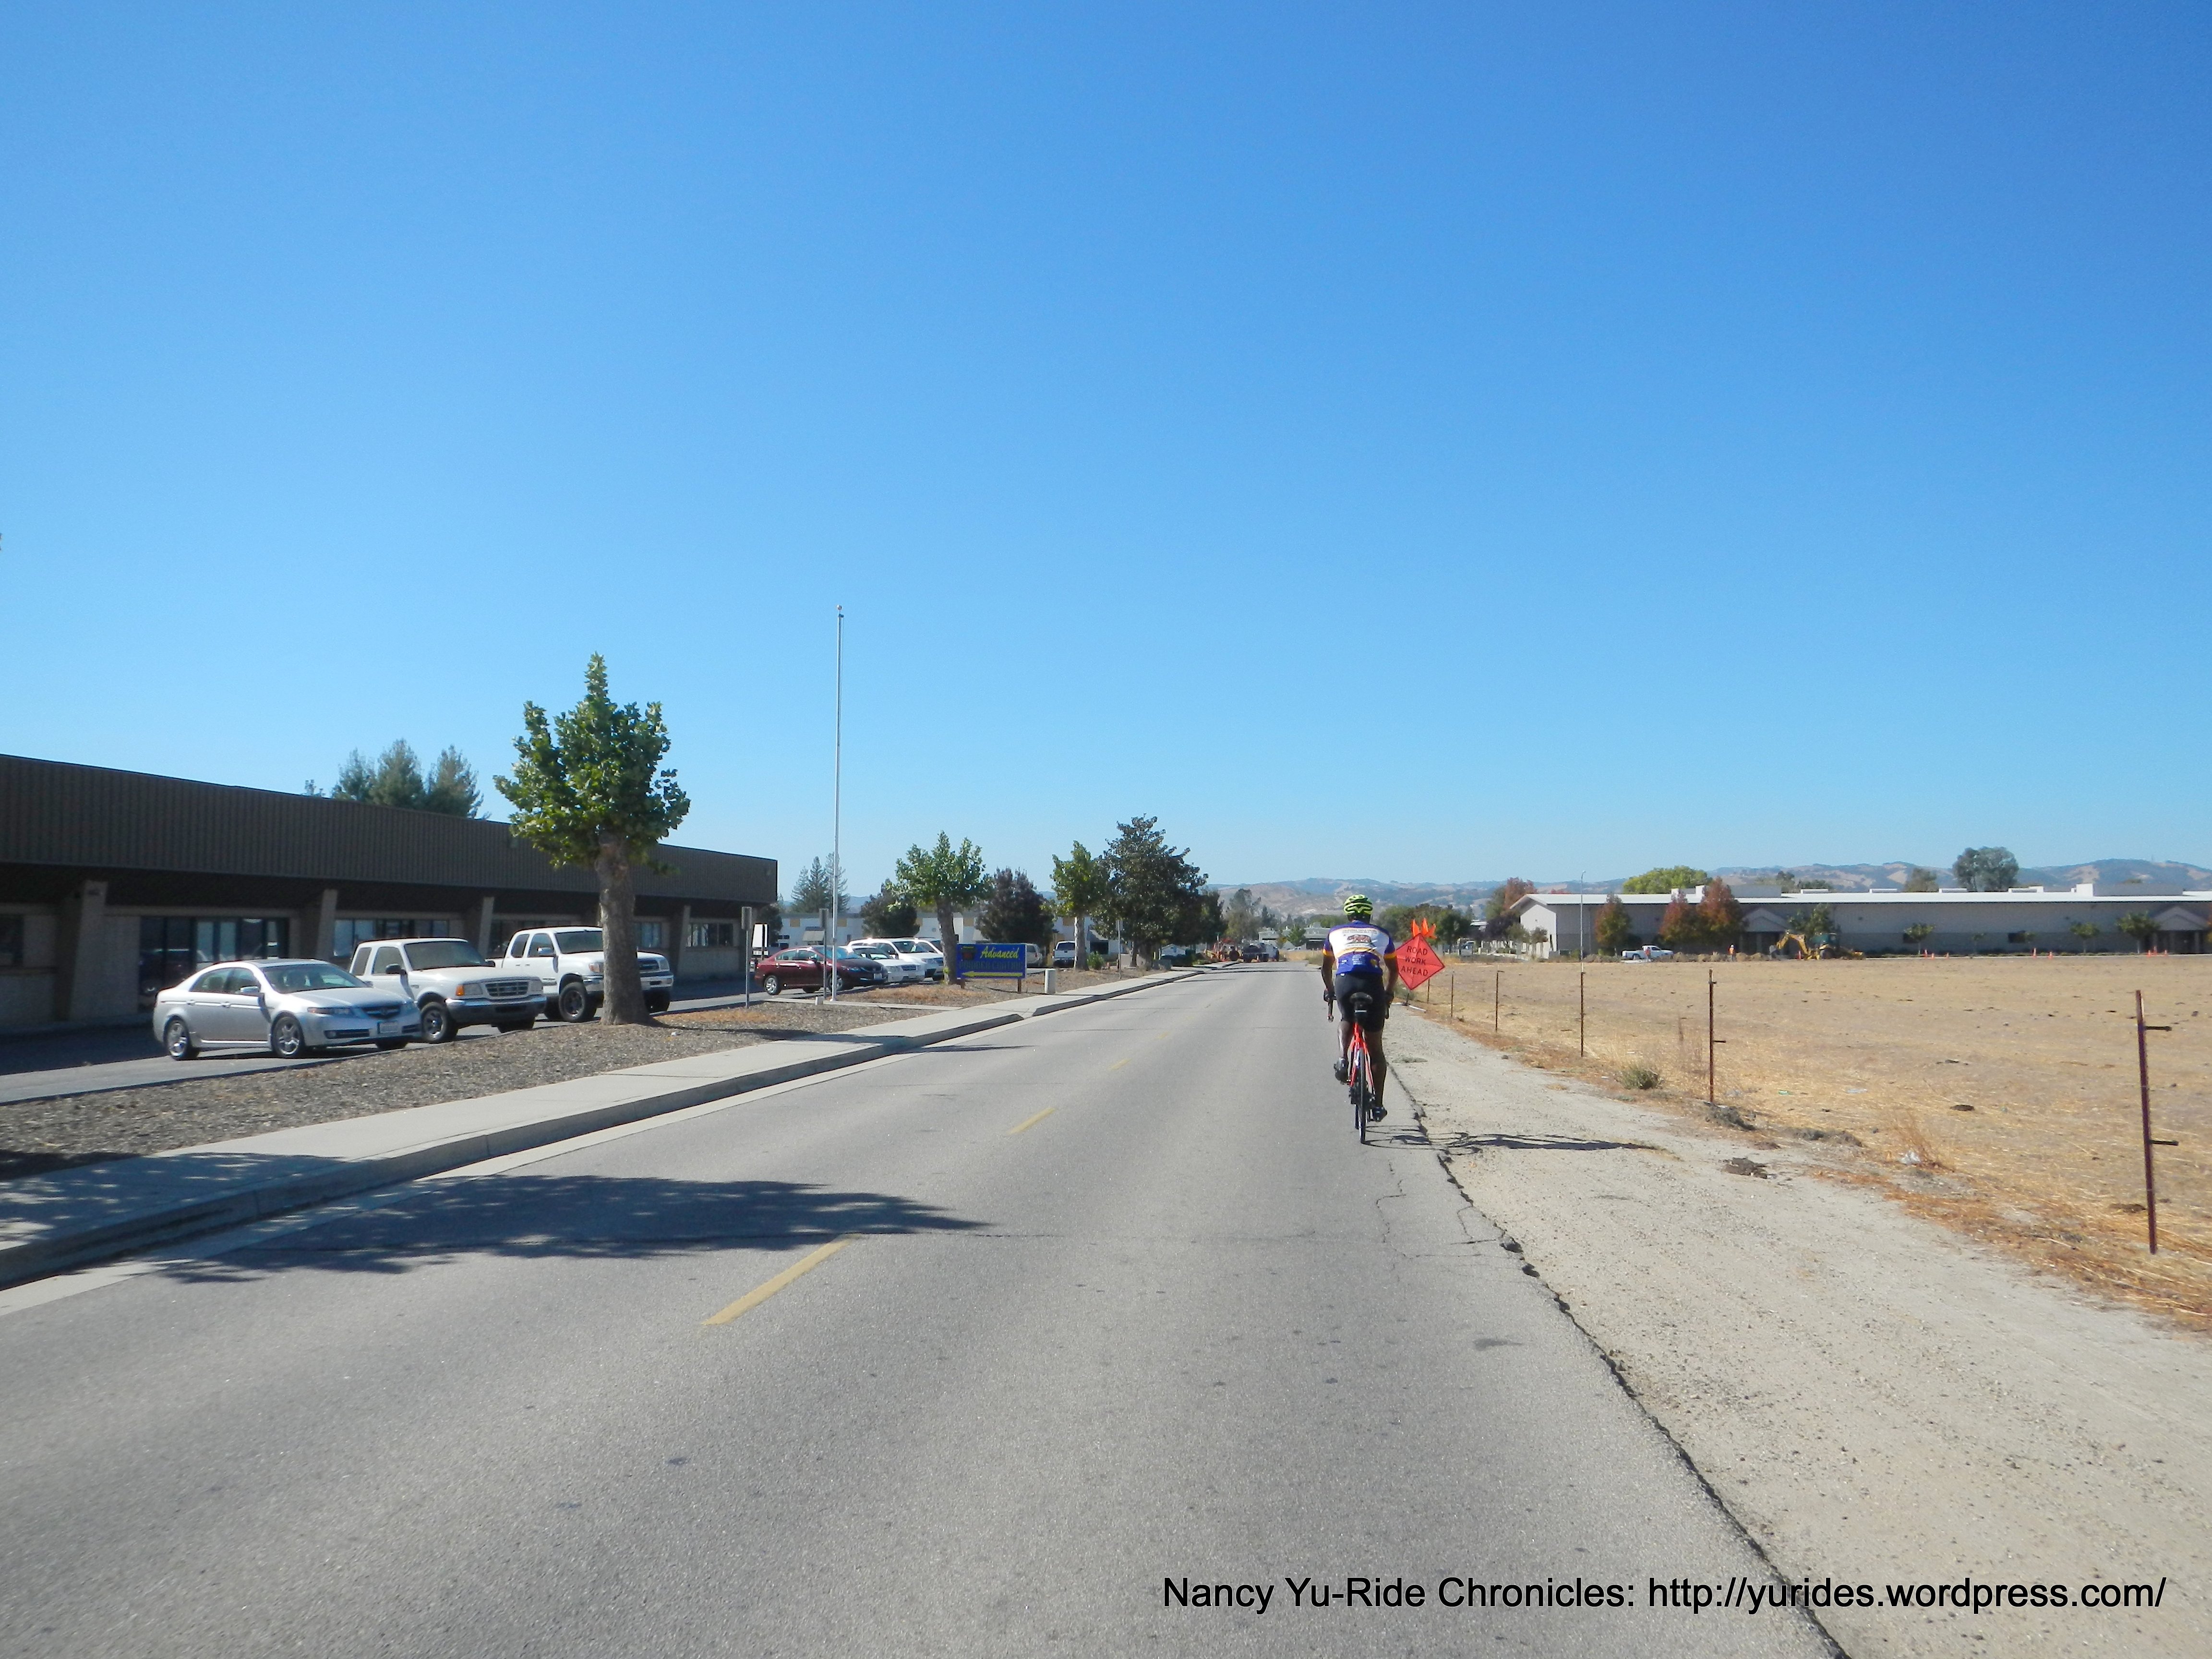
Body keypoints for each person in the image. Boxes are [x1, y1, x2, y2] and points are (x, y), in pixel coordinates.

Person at [1320, 895, 1399, 1119]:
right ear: (1369, 915)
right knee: (1375, 1049)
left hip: (1345, 982)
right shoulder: (1382, 934)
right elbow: (1394, 970)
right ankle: (1379, 1105)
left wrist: (1330, 990)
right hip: (1373, 984)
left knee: (1347, 1018)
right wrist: (1388, 993)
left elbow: (1326, 968)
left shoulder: (1334, 933)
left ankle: (1343, 1058)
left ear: (1349, 915)